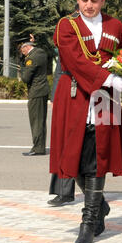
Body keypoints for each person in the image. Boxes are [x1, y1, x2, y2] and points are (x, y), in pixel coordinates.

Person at [51, 0, 122, 243]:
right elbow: (74, 61)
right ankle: (99, 204)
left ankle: (88, 221)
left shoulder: (115, 25)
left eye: (95, 0)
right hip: (74, 95)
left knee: (98, 157)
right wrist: (107, 78)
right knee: (71, 157)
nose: (89, 5)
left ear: (103, 0)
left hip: (104, 100)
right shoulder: (67, 25)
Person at [47, 57, 76, 206]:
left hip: (89, 95)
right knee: (63, 144)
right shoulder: (65, 40)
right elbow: (59, 71)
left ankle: (94, 195)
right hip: (67, 94)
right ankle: (63, 191)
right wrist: (54, 97)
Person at [20, 41, 49, 156]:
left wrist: (23, 69)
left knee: (36, 121)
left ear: (27, 47)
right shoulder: (41, 53)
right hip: (43, 90)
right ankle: (40, 146)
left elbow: (26, 78)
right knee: (41, 121)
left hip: (35, 91)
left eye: (23, 51)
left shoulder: (31, 58)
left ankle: (37, 148)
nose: (23, 54)